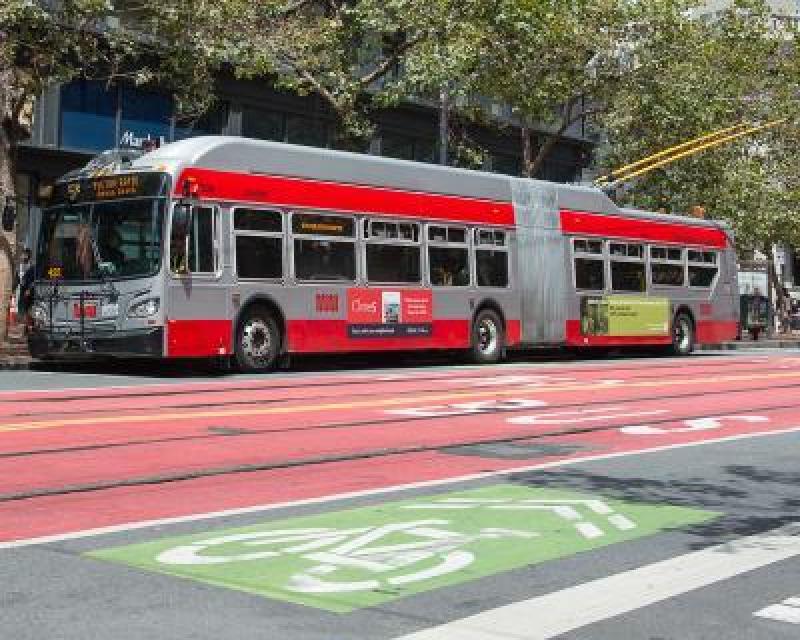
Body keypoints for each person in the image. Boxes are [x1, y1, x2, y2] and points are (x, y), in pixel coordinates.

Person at [15, 248, 34, 332]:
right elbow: (17, 279)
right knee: (21, 308)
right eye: (22, 255)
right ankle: (25, 327)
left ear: (28, 256)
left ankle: (29, 327)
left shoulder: (32, 267)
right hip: (21, 290)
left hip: (29, 291)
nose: (23, 256)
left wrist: (29, 289)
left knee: (28, 309)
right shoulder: (19, 267)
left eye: (25, 255)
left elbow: (33, 280)